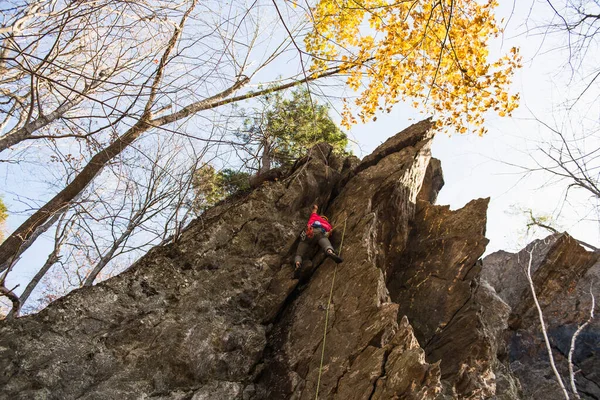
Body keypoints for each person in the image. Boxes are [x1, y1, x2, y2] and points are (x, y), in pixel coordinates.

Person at [295, 204, 343, 272]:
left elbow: (314, 211)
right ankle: (330, 252)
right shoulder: (328, 225)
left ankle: (297, 264)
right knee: (326, 244)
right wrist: (330, 232)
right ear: (326, 220)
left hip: (308, 234)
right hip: (319, 234)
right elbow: (327, 235)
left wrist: (315, 208)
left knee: (299, 254)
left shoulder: (315, 217)